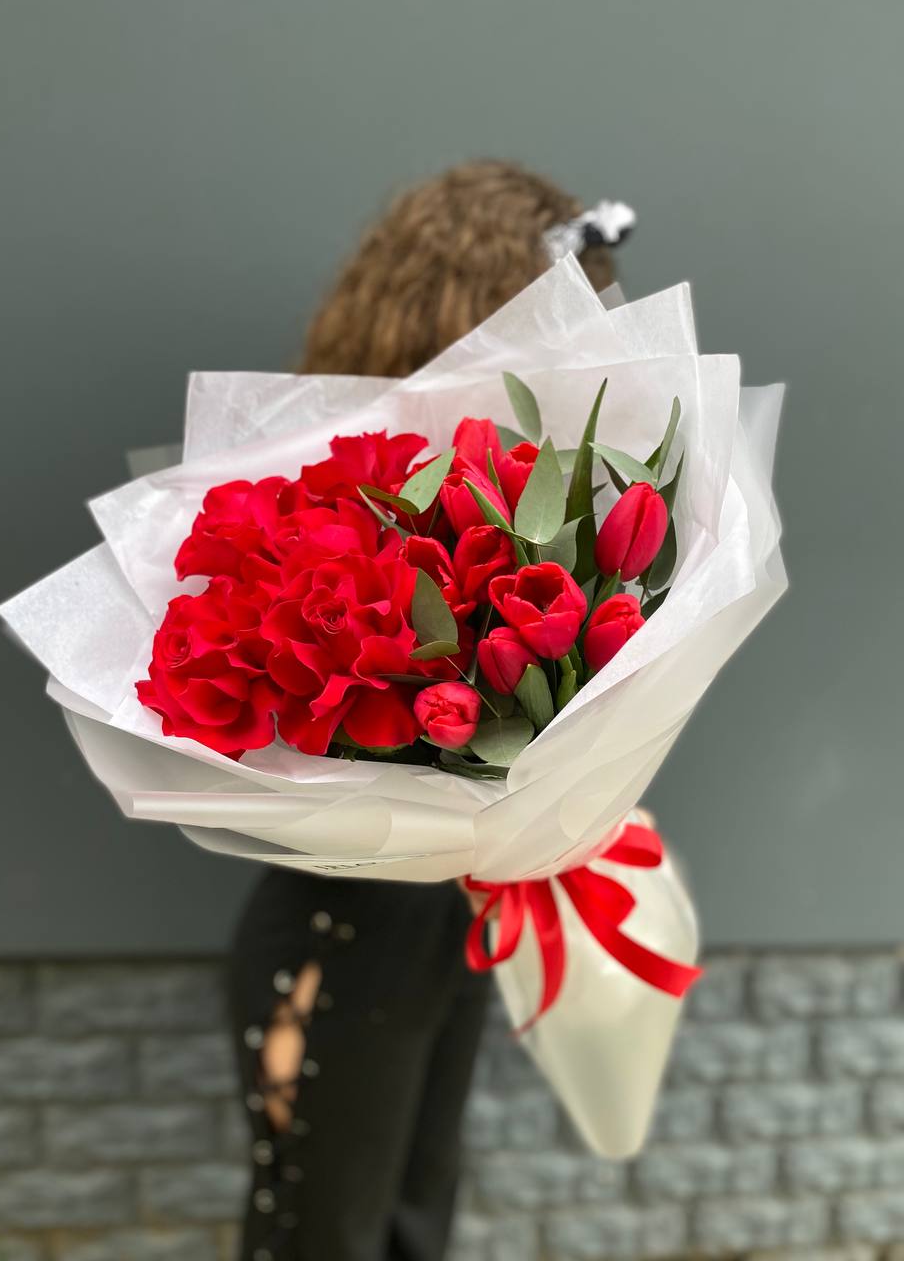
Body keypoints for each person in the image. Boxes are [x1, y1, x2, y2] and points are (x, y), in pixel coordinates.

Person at [229, 159, 631, 1261]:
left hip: (446, 921)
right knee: (322, 1236)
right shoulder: (340, 499)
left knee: (414, 1225)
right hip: (341, 936)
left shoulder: (516, 499)